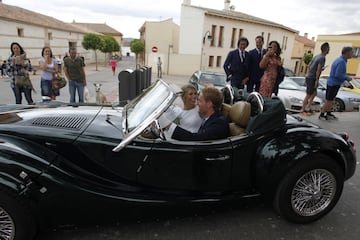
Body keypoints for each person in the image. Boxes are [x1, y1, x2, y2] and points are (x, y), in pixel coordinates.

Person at [161, 87, 229, 141]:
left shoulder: (219, 124)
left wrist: (168, 125)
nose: (197, 104)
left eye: (199, 101)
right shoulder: (207, 118)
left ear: (209, 104)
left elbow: (195, 139)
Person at [319, 46, 353, 120]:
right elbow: (338, 74)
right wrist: (347, 78)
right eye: (351, 52)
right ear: (347, 53)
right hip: (333, 83)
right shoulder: (341, 62)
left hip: (333, 83)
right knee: (329, 100)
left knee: (332, 99)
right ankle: (322, 114)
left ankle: (328, 113)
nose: (352, 54)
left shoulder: (339, 60)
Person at [301, 42, 330, 115]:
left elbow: (309, 65)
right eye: (329, 49)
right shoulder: (322, 58)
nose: (329, 50)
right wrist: (317, 80)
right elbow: (318, 69)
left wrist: (311, 71)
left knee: (314, 93)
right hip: (312, 77)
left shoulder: (317, 56)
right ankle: (303, 109)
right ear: (326, 49)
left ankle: (308, 107)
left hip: (309, 76)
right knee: (309, 94)